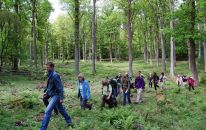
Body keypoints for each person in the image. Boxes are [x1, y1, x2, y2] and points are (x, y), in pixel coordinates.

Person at [40, 62, 72, 130]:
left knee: (47, 111)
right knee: (61, 109)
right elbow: (50, 85)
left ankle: (42, 128)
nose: (46, 68)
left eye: (48, 67)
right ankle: (69, 121)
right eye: (46, 67)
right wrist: (46, 92)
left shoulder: (55, 75)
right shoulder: (49, 74)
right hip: (51, 93)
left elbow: (60, 87)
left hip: (56, 95)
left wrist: (61, 98)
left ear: (52, 67)